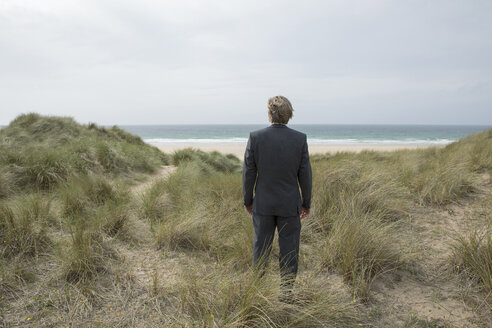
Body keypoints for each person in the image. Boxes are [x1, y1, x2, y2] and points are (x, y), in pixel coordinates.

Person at [242, 95, 312, 296]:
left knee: (261, 249)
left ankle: (258, 292)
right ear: (289, 115)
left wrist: (248, 200)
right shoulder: (299, 139)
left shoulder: (256, 137)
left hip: (263, 204)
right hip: (290, 205)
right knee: (289, 250)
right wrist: (306, 202)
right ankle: (286, 293)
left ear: (269, 114)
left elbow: (248, 173)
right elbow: (305, 175)